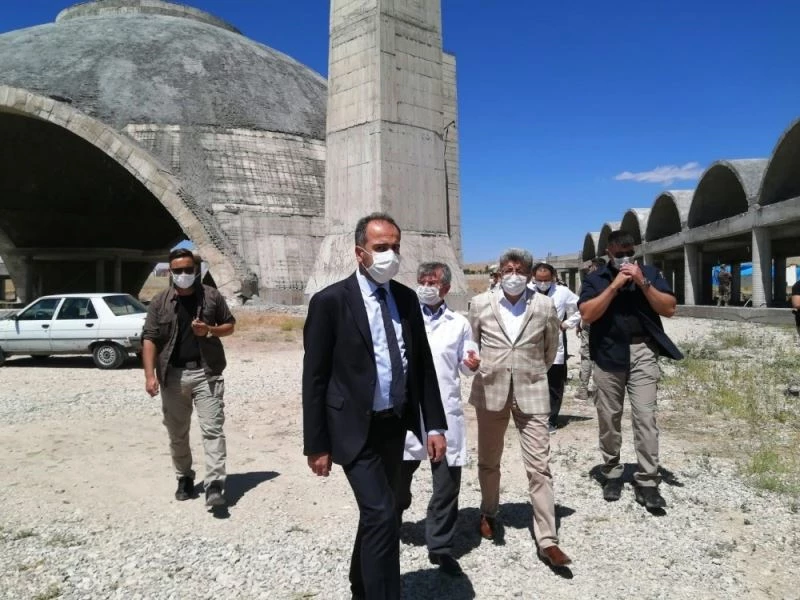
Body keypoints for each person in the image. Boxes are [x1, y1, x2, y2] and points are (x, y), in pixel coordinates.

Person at [302, 213, 447, 600]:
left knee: (383, 512)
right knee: (382, 513)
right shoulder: (330, 302)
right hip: (351, 428)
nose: (391, 255)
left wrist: (433, 425)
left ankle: (359, 586)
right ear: (360, 253)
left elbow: (422, 366)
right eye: (381, 248)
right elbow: (314, 378)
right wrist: (315, 444)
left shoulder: (405, 299)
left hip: (393, 425)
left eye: (396, 247)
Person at [468, 248, 572, 568]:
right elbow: (473, 342)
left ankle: (547, 540)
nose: (513, 274)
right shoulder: (481, 303)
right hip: (490, 391)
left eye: (519, 269)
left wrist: (528, 372)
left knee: (539, 466)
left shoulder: (544, 305)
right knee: (489, 460)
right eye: (507, 268)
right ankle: (488, 512)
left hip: (532, 392)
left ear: (528, 274)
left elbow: (550, 348)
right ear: (500, 271)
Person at [578, 230, 682, 510]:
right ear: (608, 253)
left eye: (629, 252)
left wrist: (642, 282)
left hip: (642, 351)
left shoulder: (649, 273)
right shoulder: (595, 278)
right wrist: (613, 287)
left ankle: (647, 480)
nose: (625, 257)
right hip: (608, 353)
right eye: (619, 253)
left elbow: (670, 308)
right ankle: (611, 471)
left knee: (645, 416)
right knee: (609, 417)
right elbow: (587, 314)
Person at [397, 261, 480, 577]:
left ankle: (441, 547)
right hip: (407, 414)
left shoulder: (458, 323)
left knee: (446, 486)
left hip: (444, 415)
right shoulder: (403, 317)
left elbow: (466, 364)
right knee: (397, 482)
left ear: (446, 287)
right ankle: (391, 523)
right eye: (422, 280)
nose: (426, 286)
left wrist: (471, 363)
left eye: (432, 281)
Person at [142, 248, 236, 508]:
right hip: (172, 376)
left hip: (207, 373)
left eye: (188, 269)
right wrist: (150, 375)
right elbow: (149, 338)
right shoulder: (160, 302)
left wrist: (209, 330)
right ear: (170, 272)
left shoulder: (212, 297)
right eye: (178, 270)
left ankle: (215, 485)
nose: (183, 274)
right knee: (177, 432)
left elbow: (229, 326)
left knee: (213, 430)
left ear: (196, 270)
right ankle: (184, 477)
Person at [528, 262, 581, 433]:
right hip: (530, 345)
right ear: (533, 278)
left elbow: (582, 306)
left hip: (554, 343)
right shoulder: (526, 291)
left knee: (554, 383)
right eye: (539, 280)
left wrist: (567, 323)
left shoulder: (562, 292)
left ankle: (551, 419)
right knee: (532, 383)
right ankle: (533, 419)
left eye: (546, 280)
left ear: (553, 278)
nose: (543, 283)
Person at [574, 258, 605, 401]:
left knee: (586, 356)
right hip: (604, 323)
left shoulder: (589, 281)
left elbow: (581, 304)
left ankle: (582, 390)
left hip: (589, 322)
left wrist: (579, 323)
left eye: (590, 266)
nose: (588, 268)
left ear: (595, 266)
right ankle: (600, 391)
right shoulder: (610, 280)